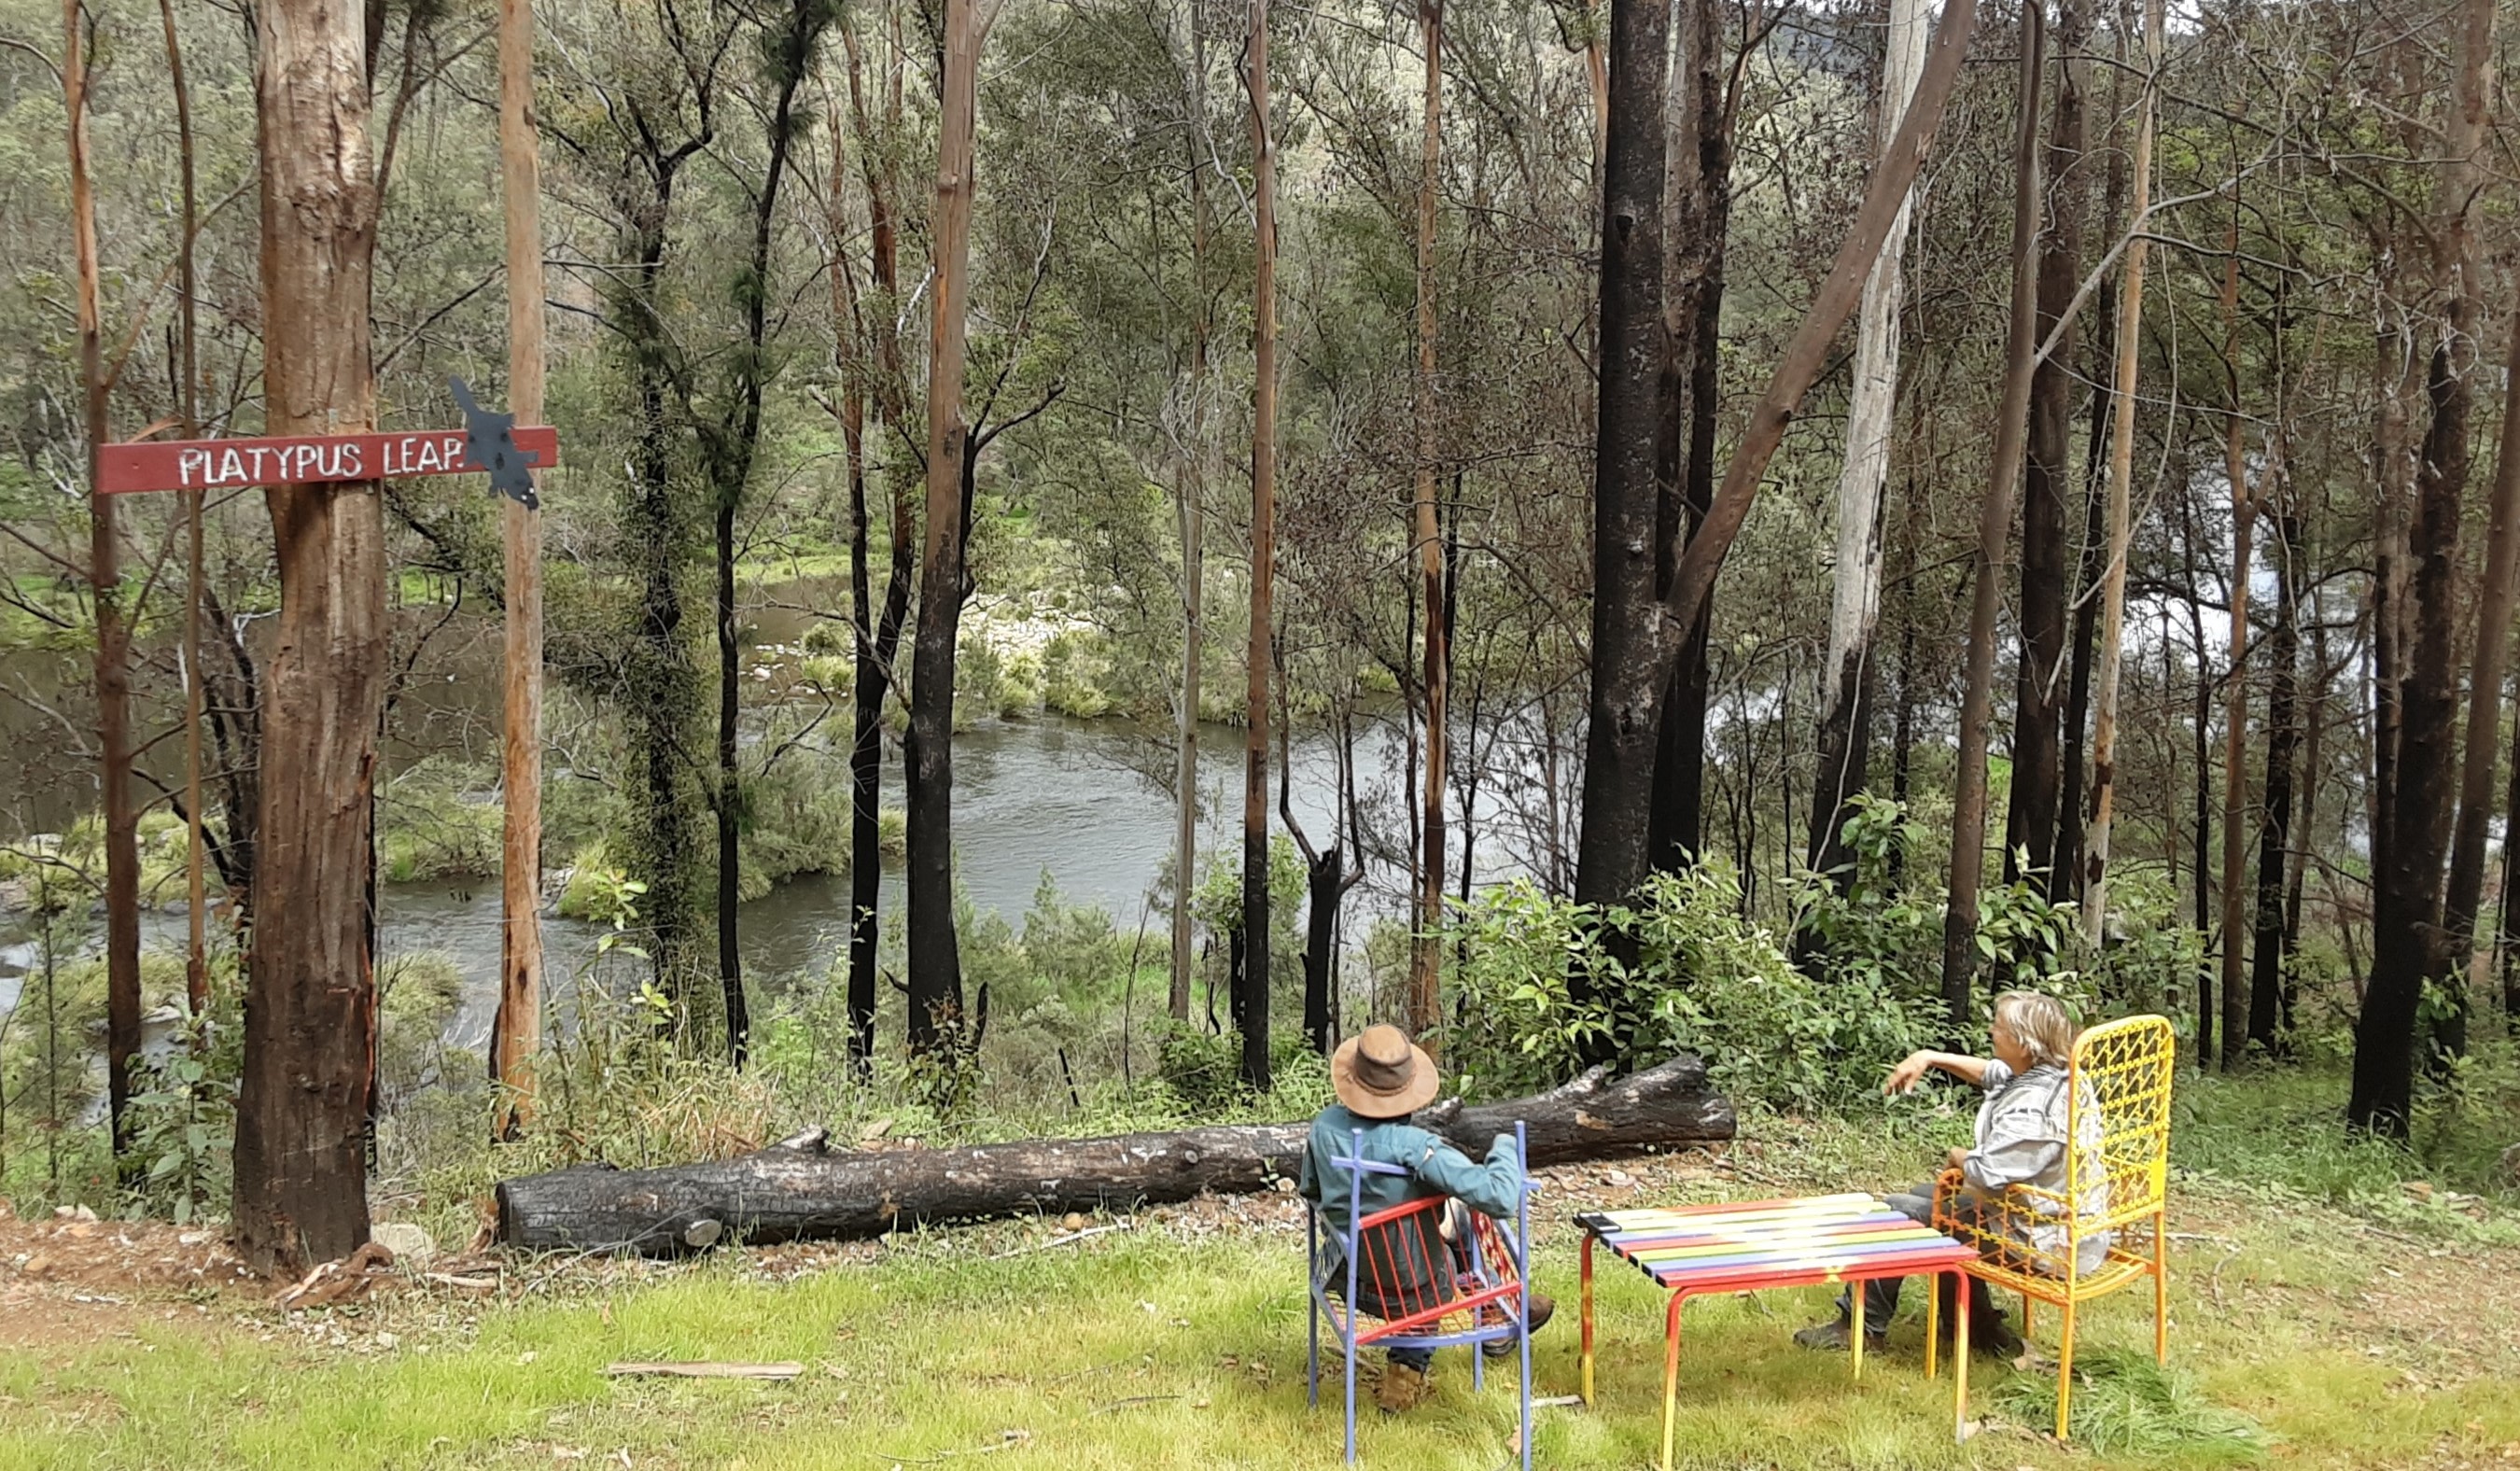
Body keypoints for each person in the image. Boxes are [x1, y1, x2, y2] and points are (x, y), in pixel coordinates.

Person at [1794, 990, 2109, 1359]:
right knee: (1924, 1195)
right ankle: (1971, 1325)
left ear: (2025, 1044)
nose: (1991, 1030)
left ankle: (1860, 1328)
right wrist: (1929, 1057)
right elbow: (1993, 1073)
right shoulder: (2055, 1074)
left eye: (2000, 1027)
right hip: (2051, 1221)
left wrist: (1956, 1155)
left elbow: (1987, 1174)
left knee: (1895, 1210)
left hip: (2041, 1241)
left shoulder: (2033, 1111)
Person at [1299, 1024, 1556, 1413]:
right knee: (1462, 1225)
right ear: (1407, 1090)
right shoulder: (1415, 1147)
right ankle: (1473, 1325)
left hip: (1344, 1273)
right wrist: (1504, 1149)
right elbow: (1502, 1198)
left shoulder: (1324, 1127)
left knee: (1435, 1224)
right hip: (1414, 1288)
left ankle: (1491, 1315)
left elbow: (1312, 1192)